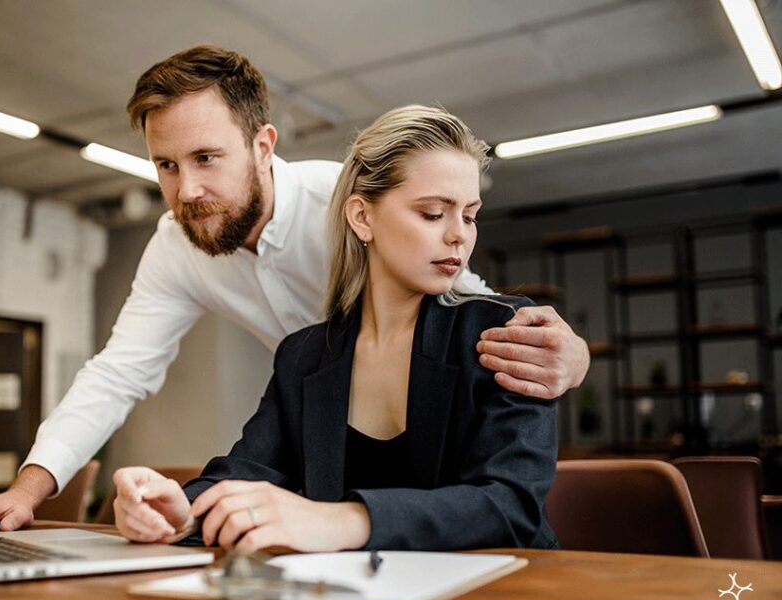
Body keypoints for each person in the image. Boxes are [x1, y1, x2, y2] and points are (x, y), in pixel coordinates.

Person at [0, 45, 586, 533]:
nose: (185, 189)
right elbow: (118, 375)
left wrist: (573, 354)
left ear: (263, 145)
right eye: (166, 165)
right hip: (330, 448)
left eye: (206, 158)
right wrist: (39, 488)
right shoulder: (229, 291)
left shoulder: (348, 202)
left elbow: (458, 294)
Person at [112, 104, 558, 552]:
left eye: (469, 215)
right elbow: (246, 471)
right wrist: (180, 512)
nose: (459, 235)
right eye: (432, 213)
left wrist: (346, 521)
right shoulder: (303, 356)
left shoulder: (503, 333)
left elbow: (511, 505)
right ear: (362, 218)